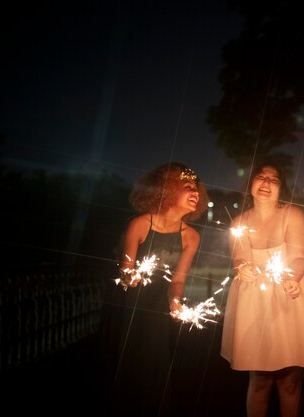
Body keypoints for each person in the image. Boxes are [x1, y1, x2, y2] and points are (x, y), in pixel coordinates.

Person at [221, 162, 304, 417]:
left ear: (281, 189)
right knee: (259, 379)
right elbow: (239, 256)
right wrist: (241, 267)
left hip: (289, 295)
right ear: (250, 184)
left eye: (274, 180)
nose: (267, 182)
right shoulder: (239, 221)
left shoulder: (292, 215)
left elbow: (299, 256)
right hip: (255, 299)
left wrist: (293, 278)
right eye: (261, 177)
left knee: (289, 380)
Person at [97, 162, 209, 417]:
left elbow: (178, 280)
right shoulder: (140, 224)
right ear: (167, 189)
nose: (196, 193)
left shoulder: (191, 236)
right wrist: (129, 276)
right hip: (129, 306)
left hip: (157, 307)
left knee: (152, 366)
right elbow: (125, 271)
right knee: (124, 367)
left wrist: (175, 302)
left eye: (197, 189)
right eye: (187, 186)